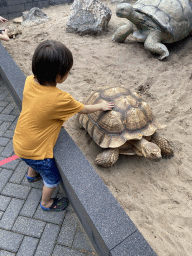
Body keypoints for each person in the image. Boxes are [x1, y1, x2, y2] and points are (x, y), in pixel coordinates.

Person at [13, 40, 114, 212]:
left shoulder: (29, 81)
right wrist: (101, 106)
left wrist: (56, 123)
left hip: (20, 141)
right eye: (67, 71)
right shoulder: (61, 98)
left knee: (34, 161)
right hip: (36, 151)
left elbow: (40, 109)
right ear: (60, 76)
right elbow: (83, 109)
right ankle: (46, 203)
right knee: (52, 179)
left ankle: (31, 176)